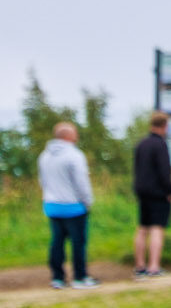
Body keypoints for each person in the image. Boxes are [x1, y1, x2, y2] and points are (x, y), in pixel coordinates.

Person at [39, 122, 99, 289]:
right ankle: (80, 277)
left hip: (52, 205)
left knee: (57, 242)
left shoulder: (44, 155)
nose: (77, 136)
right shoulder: (74, 155)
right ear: (68, 136)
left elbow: (42, 181)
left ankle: (57, 277)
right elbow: (82, 182)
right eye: (75, 133)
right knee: (78, 243)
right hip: (74, 206)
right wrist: (87, 201)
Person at [133, 111, 171, 278]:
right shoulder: (161, 145)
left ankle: (139, 266)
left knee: (142, 229)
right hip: (158, 193)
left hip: (142, 191)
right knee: (157, 229)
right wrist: (169, 191)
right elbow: (165, 172)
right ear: (165, 126)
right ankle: (154, 267)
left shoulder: (141, 144)